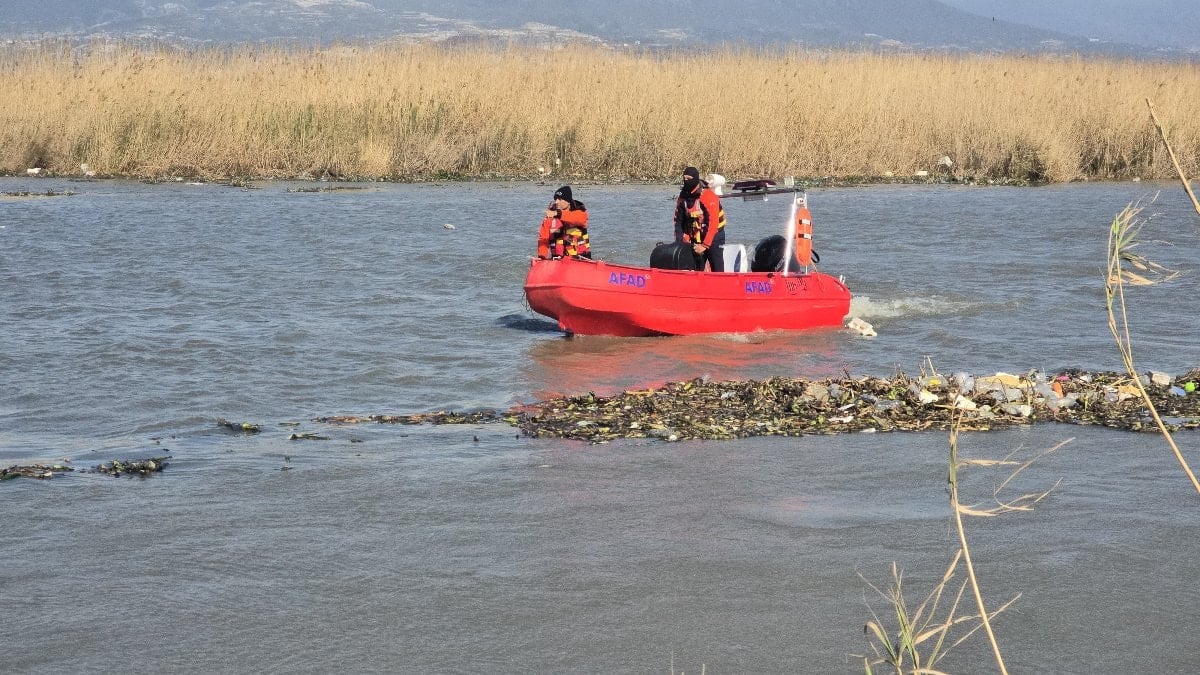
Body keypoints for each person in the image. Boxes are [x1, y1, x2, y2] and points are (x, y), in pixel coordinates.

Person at [673, 166, 726, 272]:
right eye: (684, 178)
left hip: (714, 236)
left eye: (689, 178)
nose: (686, 181)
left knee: (717, 268)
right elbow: (678, 221)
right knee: (696, 269)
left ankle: (720, 285)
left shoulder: (708, 195)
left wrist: (705, 245)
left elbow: (713, 223)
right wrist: (679, 243)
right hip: (695, 237)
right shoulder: (683, 197)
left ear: (695, 179)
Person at [536, 185, 590, 259]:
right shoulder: (549, 219)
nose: (556, 202)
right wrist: (541, 257)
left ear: (568, 201)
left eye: (559, 199)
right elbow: (543, 239)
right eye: (555, 199)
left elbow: (580, 219)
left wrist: (558, 213)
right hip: (558, 260)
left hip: (581, 260)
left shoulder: (580, 213)